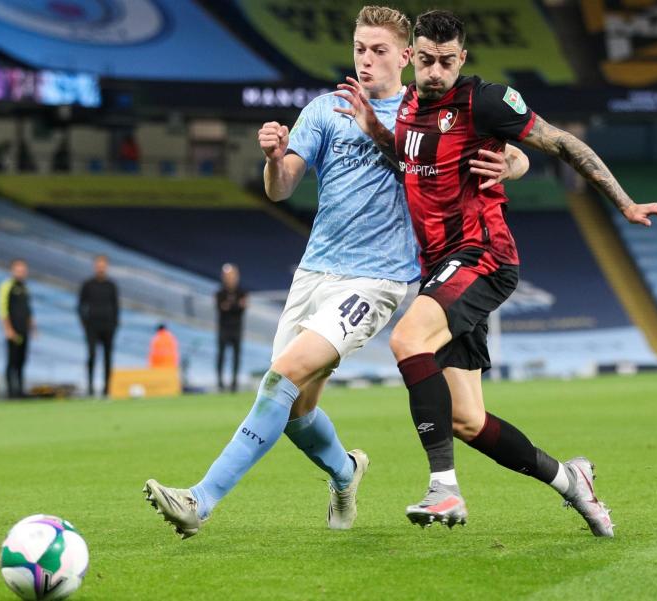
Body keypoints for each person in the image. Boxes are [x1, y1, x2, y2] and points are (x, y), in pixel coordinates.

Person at [142, 6, 530, 539]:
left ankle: (200, 500)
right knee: (295, 409)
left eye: (378, 51)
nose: (366, 60)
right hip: (314, 272)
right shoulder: (325, 110)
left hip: (379, 280)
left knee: (281, 377)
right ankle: (346, 473)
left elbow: (514, 155)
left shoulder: (424, 111)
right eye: (359, 49)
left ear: (406, 56)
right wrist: (275, 159)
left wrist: (510, 163)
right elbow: (281, 187)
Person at [335, 9, 657, 536]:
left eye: (447, 61)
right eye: (427, 61)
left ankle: (444, 490)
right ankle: (572, 481)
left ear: (462, 58)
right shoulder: (405, 108)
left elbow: (560, 142)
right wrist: (374, 128)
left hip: (482, 256)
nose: (437, 72)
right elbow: (413, 157)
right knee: (466, 420)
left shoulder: (485, 101)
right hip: (439, 269)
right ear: (411, 58)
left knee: (407, 341)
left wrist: (624, 203)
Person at [78, 255, 119, 397]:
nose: (101, 268)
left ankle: (106, 390)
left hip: (108, 327)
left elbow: (116, 306)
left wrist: (114, 325)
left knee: (108, 358)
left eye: (103, 265)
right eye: (98, 265)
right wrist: (84, 324)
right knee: (92, 355)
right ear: (95, 266)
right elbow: (80, 305)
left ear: (106, 267)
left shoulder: (111, 286)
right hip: (92, 327)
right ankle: (90, 389)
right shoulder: (88, 285)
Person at [0, 259, 35, 398]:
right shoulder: (7, 286)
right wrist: (8, 329)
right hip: (13, 330)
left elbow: (28, 310)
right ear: (12, 270)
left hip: (24, 330)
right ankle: (10, 391)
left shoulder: (25, 287)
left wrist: (32, 328)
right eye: (18, 270)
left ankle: (19, 390)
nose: (21, 273)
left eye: (23, 270)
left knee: (22, 361)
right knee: (11, 361)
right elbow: (2, 309)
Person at [215, 263, 248, 392]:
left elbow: (241, 308)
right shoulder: (220, 293)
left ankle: (234, 384)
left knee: (236, 356)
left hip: (237, 329)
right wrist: (235, 306)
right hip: (223, 329)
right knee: (221, 356)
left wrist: (230, 306)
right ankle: (220, 384)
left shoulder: (242, 292)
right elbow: (221, 308)